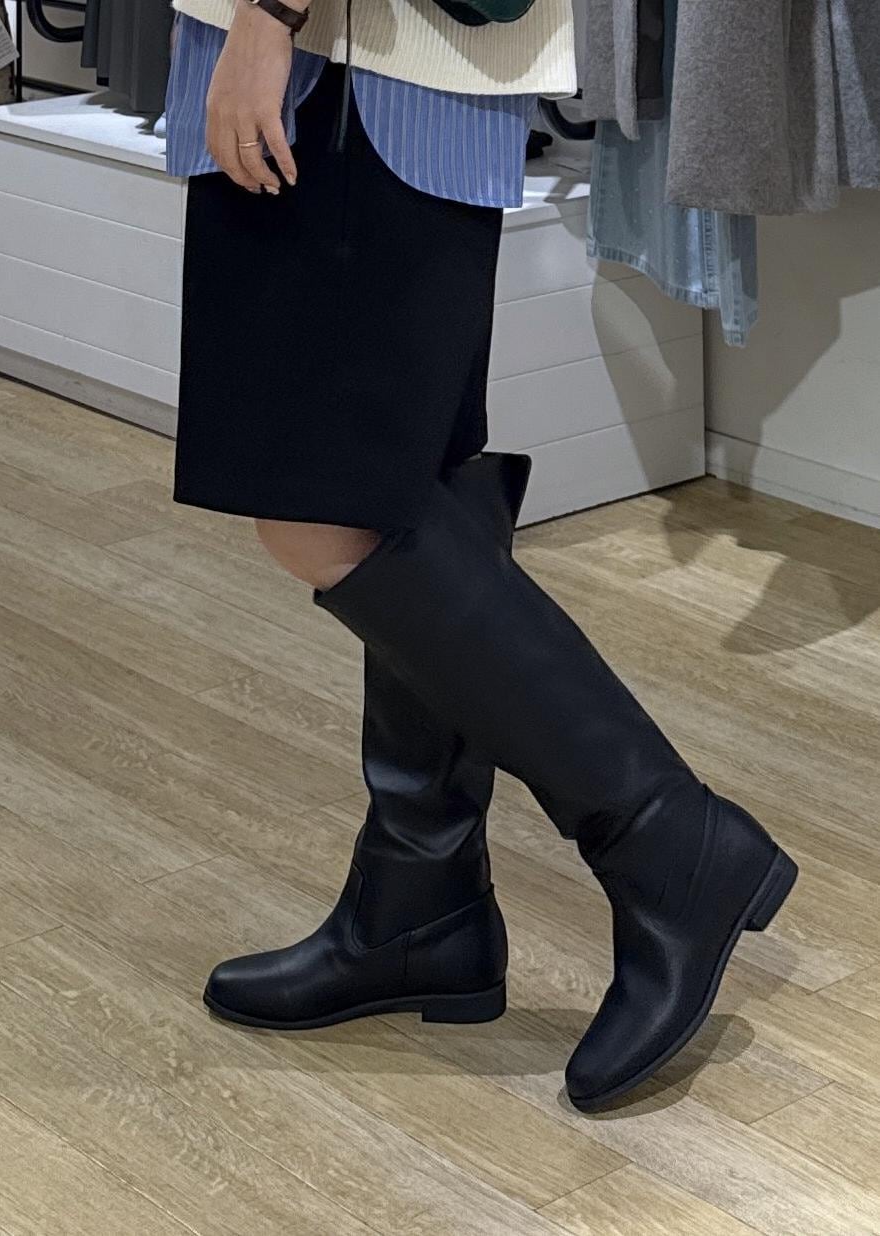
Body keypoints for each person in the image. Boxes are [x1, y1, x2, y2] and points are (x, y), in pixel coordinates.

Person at [165, 0, 798, 1112]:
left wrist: (268, 17)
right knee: (410, 483)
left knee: (321, 511)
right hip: (377, 66)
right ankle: (420, 903)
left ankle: (668, 839)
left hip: (346, 61)